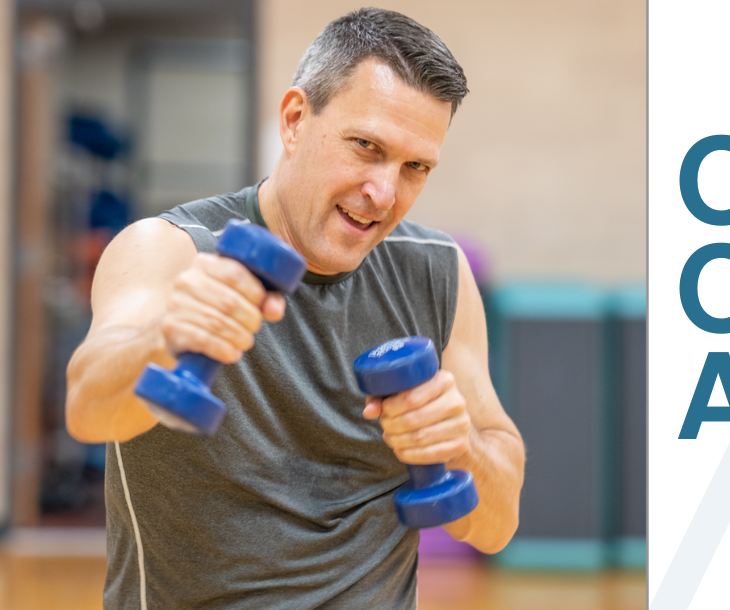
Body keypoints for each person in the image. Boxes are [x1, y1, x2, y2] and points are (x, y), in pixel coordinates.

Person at [64, 8, 525, 608]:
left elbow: (496, 524)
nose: (384, 194)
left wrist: (458, 441)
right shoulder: (169, 251)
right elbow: (87, 409)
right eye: (366, 146)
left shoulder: (437, 272)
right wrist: (161, 338)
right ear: (294, 121)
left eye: (416, 167)